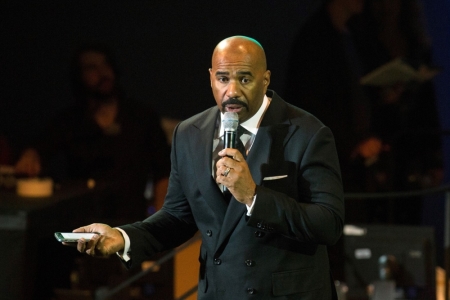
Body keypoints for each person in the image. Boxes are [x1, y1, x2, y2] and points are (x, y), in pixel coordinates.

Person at [68, 36, 344, 299]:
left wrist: (253, 197)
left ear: (265, 79)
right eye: (223, 78)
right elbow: (178, 217)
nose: (232, 91)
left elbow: (328, 223)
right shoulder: (189, 133)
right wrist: (123, 237)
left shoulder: (308, 132)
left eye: (244, 78)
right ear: (211, 77)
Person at [15, 43, 171, 219]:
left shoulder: (141, 116)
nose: (103, 73)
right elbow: (41, 146)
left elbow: (163, 170)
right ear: (80, 76)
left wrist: (160, 220)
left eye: (106, 65)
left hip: (130, 223)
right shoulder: (70, 120)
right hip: (81, 223)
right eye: (92, 68)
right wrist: (31, 155)